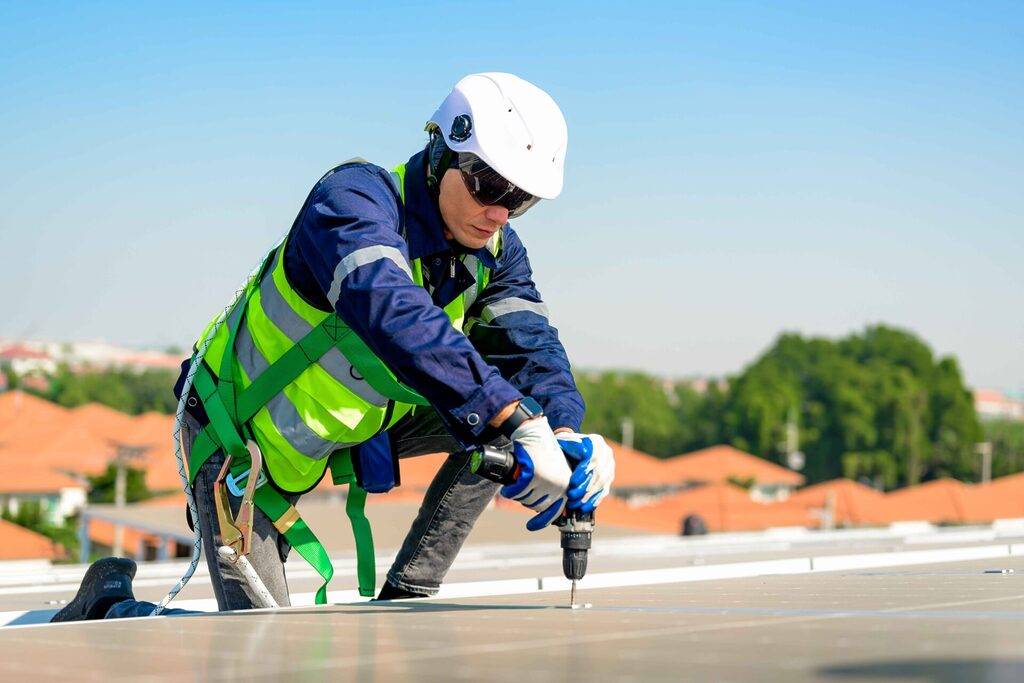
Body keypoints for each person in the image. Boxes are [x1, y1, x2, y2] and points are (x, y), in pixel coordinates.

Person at [53, 73, 615, 622]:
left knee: (510, 426)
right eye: (490, 187)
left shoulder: (495, 249)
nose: (501, 212)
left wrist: (563, 433)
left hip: (346, 426)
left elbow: (531, 350)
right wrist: (514, 416)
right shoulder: (352, 200)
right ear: (442, 153)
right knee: (259, 642)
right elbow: (388, 308)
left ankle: (409, 598)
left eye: (522, 199)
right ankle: (108, 604)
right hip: (237, 438)